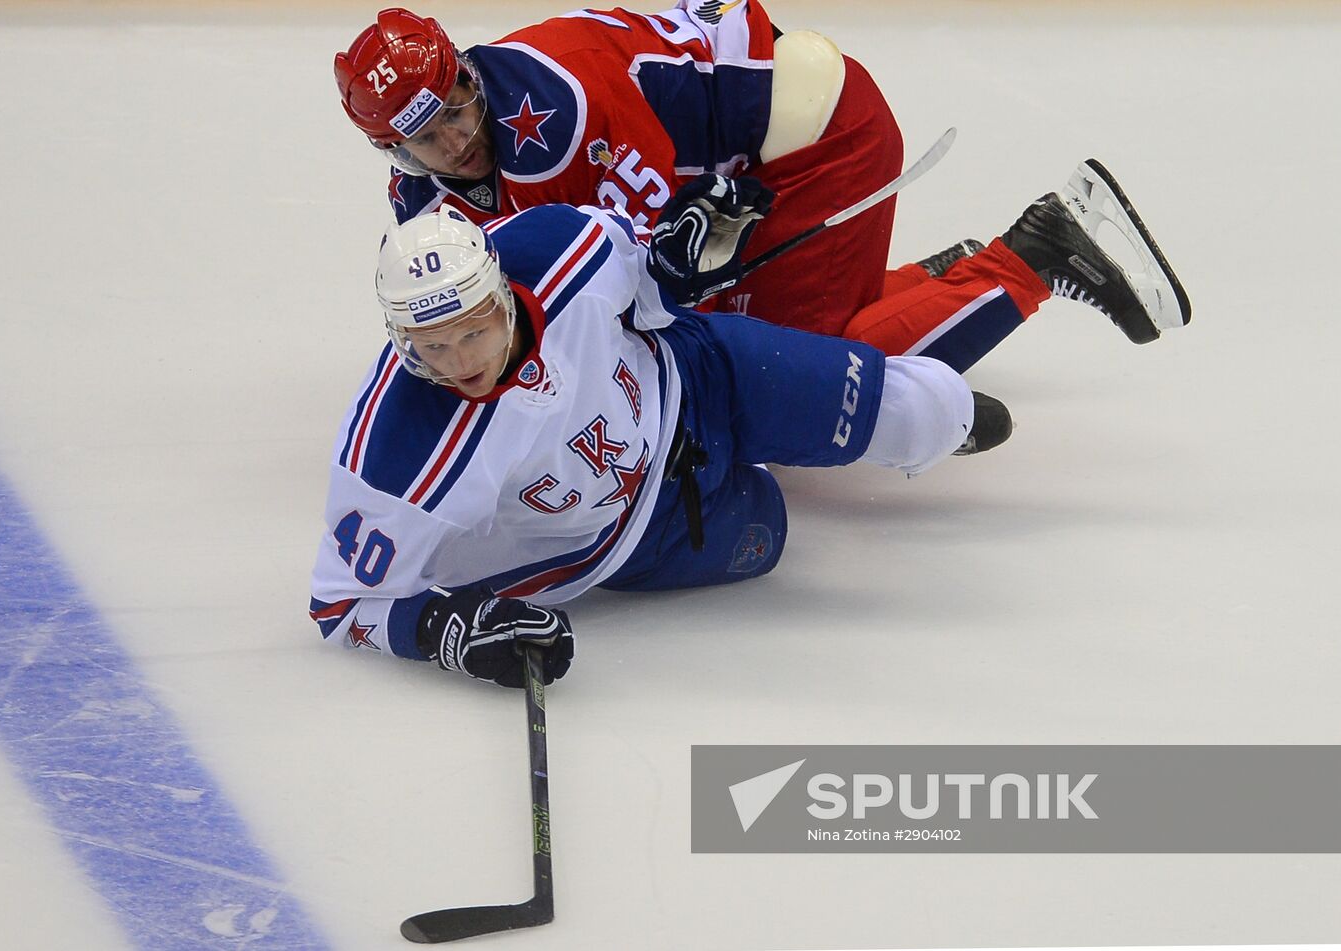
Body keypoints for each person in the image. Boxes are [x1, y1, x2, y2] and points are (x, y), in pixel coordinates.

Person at [308, 199, 1020, 688]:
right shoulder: (395, 452)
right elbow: (339, 606)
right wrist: (445, 628)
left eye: (474, 331)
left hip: (701, 377)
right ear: (401, 341)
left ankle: (929, 415)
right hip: (647, 535)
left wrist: (679, 256)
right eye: (432, 348)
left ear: (501, 291)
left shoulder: (563, 248)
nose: (461, 362)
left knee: (921, 410)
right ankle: (790, 448)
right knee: (773, 531)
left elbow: (650, 287)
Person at [331, 2, 1191, 376]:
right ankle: (937, 281)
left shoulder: (552, 112)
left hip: (818, 143)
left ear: (468, 75)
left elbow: (643, 284)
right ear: (388, 147)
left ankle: (1036, 252)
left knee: (798, 372)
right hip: (749, 165)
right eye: (422, 136)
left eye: (454, 106)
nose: (456, 138)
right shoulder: (426, 199)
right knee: (717, 337)